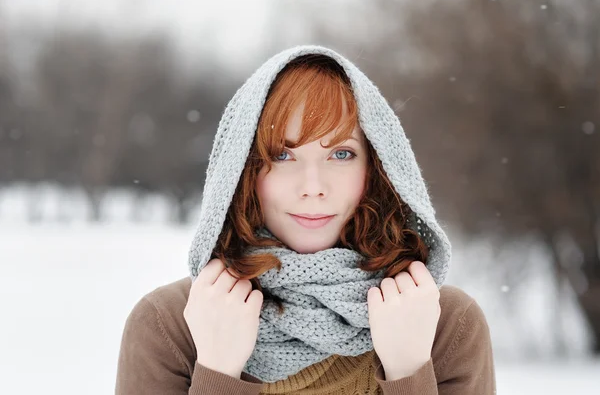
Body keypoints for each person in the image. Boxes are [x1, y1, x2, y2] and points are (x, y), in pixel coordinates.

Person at [115, 45, 496, 394]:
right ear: (243, 172)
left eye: (341, 154)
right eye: (282, 155)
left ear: (377, 170)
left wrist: (409, 371)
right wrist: (217, 370)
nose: (313, 187)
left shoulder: (442, 323)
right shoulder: (172, 325)